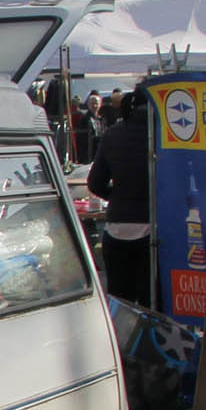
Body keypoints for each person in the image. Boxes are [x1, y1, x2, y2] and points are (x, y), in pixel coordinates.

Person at [86, 86, 152, 308]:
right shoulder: (162, 135)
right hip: (152, 230)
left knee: (120, 305)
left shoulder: (112, 133)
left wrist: (118, 195)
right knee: (149, 306)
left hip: (116, 228)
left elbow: (95, 183)